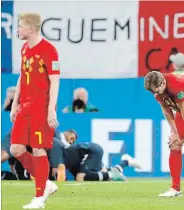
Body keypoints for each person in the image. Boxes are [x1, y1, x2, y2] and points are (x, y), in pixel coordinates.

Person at [10, 12, 60, 209]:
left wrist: (51, 110)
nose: (18, 30)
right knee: (16, 149)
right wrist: (15, 103)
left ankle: (39, 197)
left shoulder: (49, 50)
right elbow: (22, 77)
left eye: (20, 26)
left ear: (30, 29)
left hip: (41, 107)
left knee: (39, 149)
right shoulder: (24, 48)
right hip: (25, 107)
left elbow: (55, 80)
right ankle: (45, 183)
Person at [49, 139, 141, 182]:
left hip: (91, 151)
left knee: (80, 177)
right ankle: (125, 162)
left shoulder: (55, 148)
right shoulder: (67, 157)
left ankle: (112, 174)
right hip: (88, 152)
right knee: (102, 172)